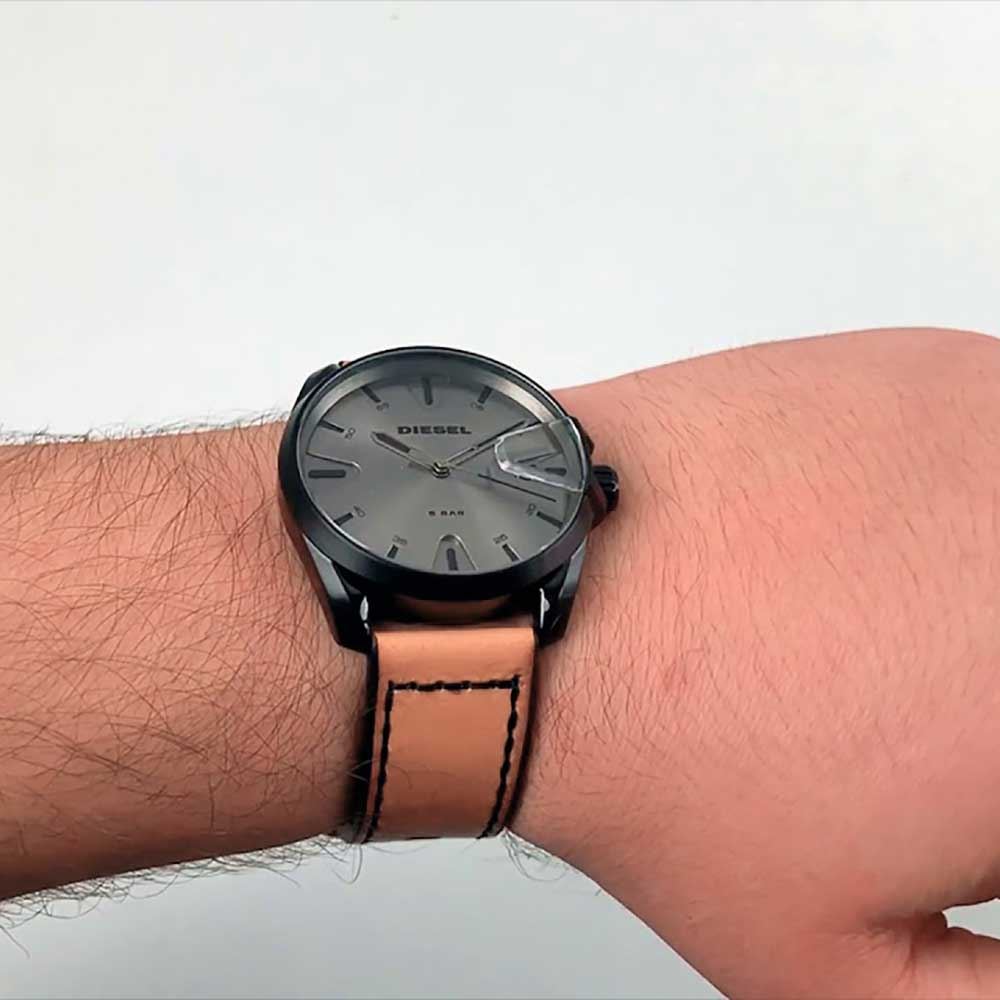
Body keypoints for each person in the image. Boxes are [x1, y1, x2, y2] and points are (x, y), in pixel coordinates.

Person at [2, 327, 998, 998]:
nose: (443, 469)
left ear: (589, 487)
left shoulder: (557, 544)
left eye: (468, 457)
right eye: (425, 461)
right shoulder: (337, 571)